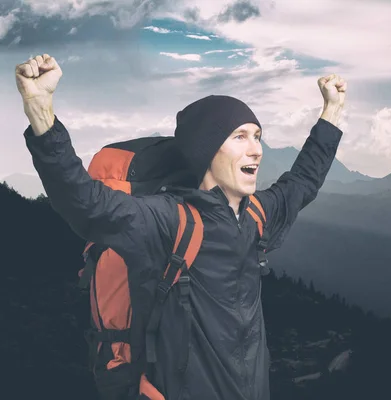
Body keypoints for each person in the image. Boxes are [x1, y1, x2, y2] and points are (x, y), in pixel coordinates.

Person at [15, 53, 347, 400]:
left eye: (257, 136)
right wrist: (40, 110)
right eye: (239, 137)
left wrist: (332, 112)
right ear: (207, 150)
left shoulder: (256, 215)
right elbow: (86, 202)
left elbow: (303, 181)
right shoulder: (168, 221)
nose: (256, 150)